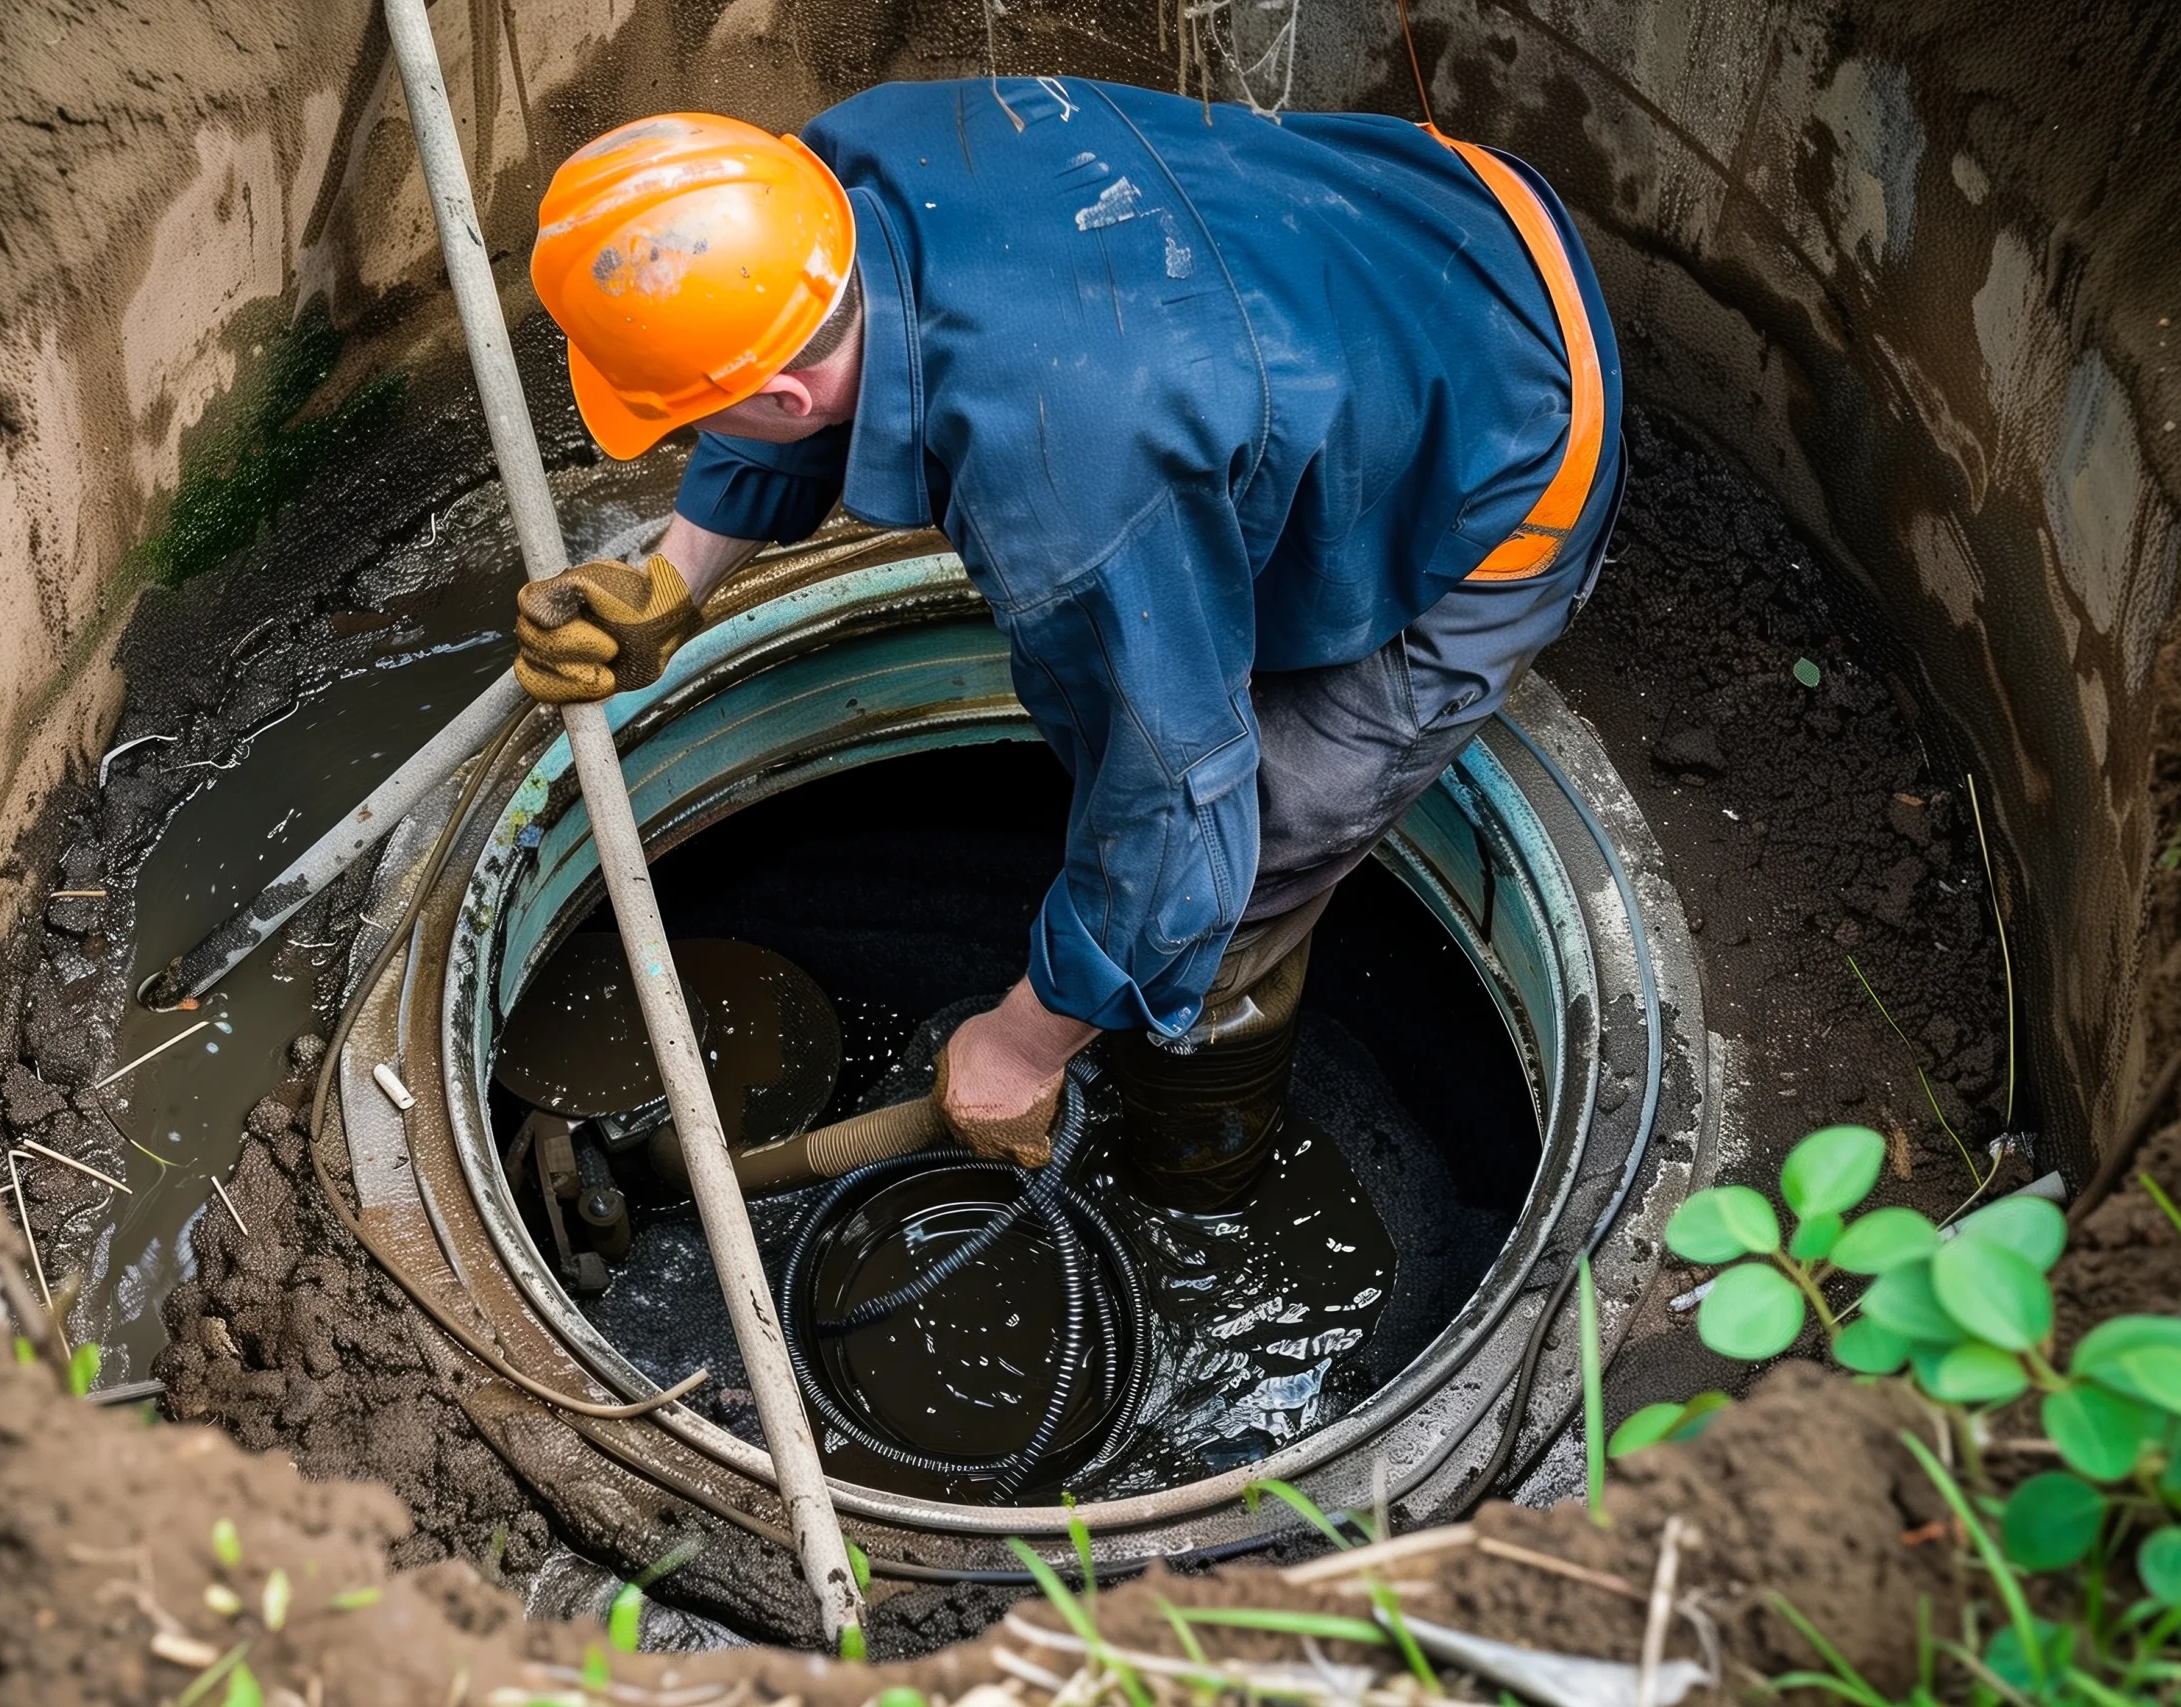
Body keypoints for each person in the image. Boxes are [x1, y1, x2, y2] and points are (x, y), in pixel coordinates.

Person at [514, 76, 1623, 1195]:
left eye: (685, 410)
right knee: (1174, 708)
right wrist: (671, 578)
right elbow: (804, 367)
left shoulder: (1068, 497)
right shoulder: (850, 166)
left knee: (1255, 855)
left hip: (1514, 421)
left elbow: (1180, 804)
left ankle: (1198, 1170)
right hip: (1426, 219)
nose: (691, 433)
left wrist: (1023, 1042)